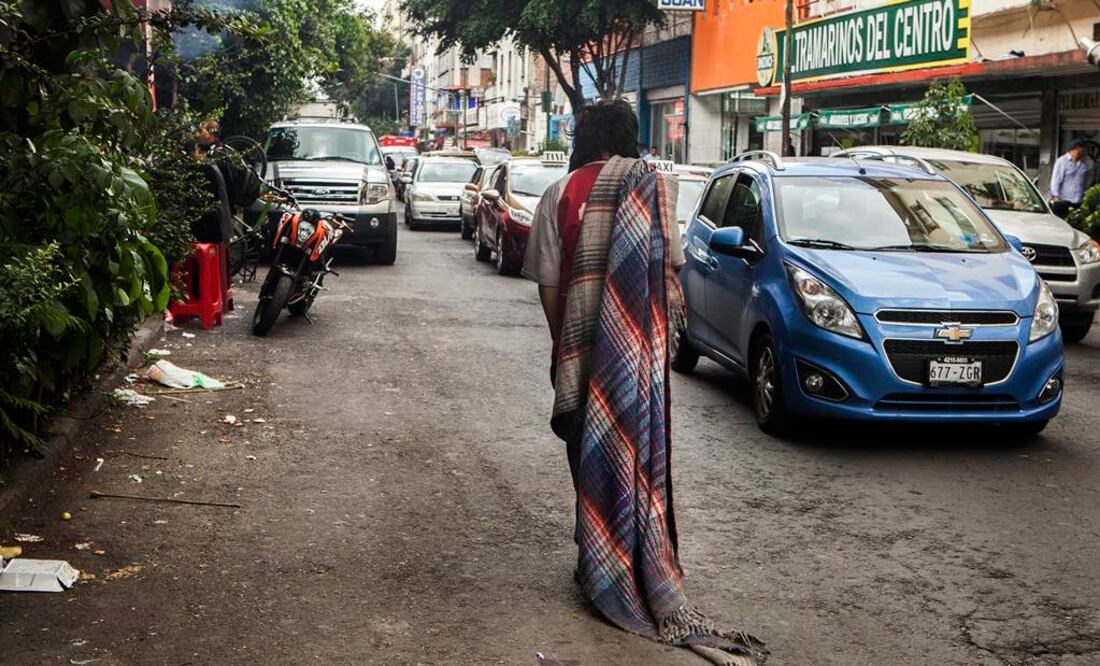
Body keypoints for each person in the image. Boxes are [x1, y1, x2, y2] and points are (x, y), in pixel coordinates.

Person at [522, 99, 767, 666]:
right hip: (640, 355)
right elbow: (670, 273)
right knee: (639, 457)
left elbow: (550, 286)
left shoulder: (560, 196)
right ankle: (632, 557)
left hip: (582, 348)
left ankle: (599, 558)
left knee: (588, 449)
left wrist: (570, 342)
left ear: (585, 138)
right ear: (630, 139)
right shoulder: (653, 190)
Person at [1050, 139, 1089, 219]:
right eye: (1082, 149)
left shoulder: (1083, 164)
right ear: (1076, 149)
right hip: (1064, 201)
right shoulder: (1062, 161)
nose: (1083, 152)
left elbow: (1084, 182)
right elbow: (1055, 181)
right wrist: (1056, 197)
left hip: (1078, 202)